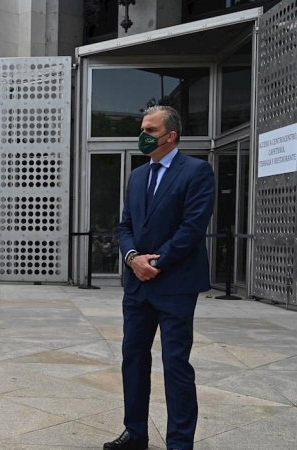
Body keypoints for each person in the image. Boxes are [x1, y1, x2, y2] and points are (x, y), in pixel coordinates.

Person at [105, 106, 215, 450]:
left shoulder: (197, 171)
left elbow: (192, 228)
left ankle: (179, 444)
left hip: (176, 286)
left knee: (176, 365)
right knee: (133, 359)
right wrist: (132, 259)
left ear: (171, 136)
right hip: (138, 287)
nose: (142, 135)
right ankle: (135, 433)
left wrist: (158, 263)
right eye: (142, 128)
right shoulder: (137, 176)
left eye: (150, 130)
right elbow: (125, 227)